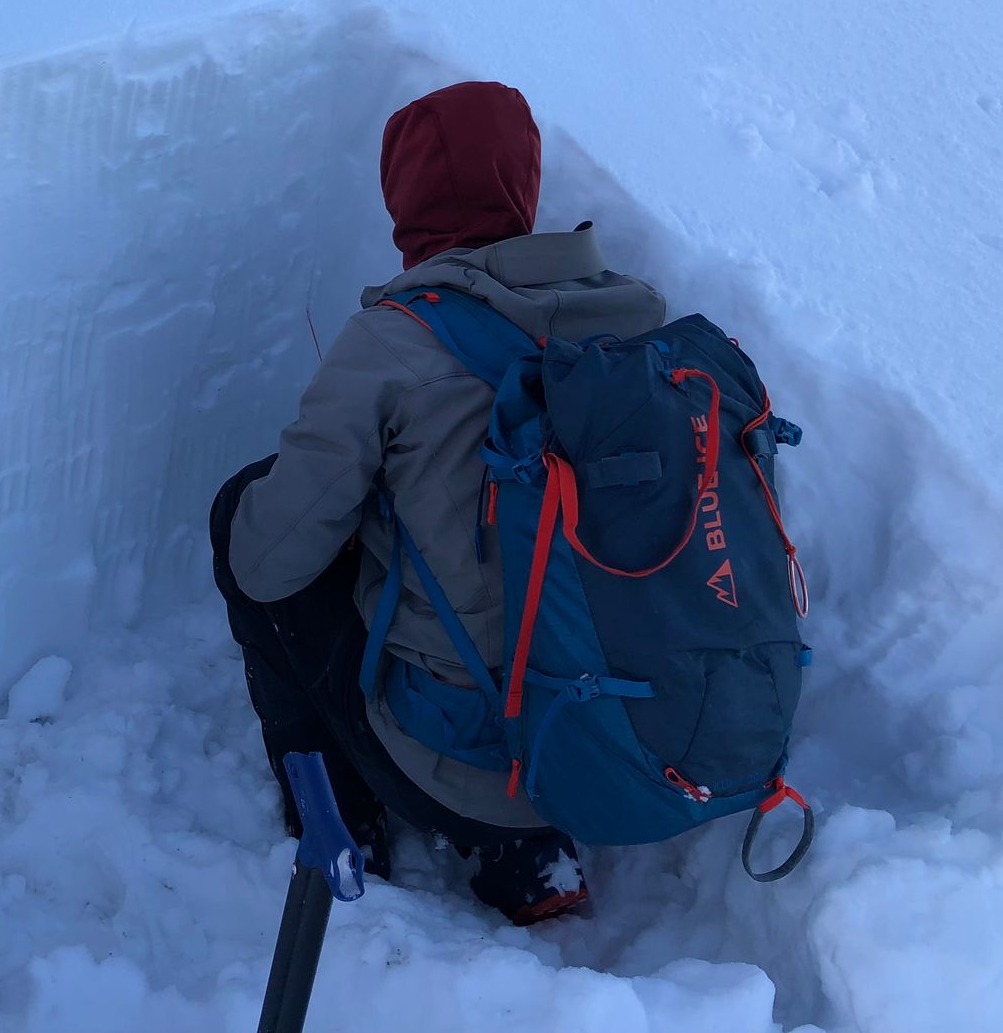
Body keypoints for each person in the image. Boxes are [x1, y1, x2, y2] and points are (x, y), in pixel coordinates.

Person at [213, 80, 666, 924]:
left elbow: (267, 563)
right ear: (523, 181)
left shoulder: (395, 341)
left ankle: (344, 820)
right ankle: (533, 858)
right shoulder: (635, 324)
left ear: (406, 199)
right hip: (615, 745)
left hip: (462, 769)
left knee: (248, 510)